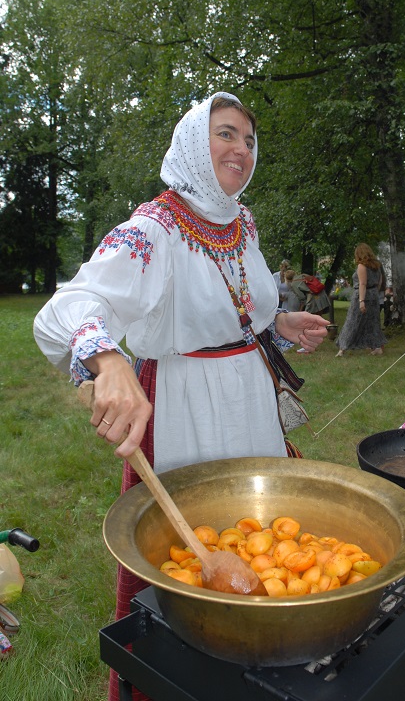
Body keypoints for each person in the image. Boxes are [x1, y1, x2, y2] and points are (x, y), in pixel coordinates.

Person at [33, 92, 328, 701]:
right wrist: (108, 359)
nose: (241, 149)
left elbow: (235, 310)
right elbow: (69, 306)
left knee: (259, 538)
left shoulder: (242, 222)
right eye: (226, 134)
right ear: (194, 143)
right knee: (188, 556)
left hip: (249, 399)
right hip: (185, 404)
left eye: (249, 140)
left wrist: (279, 324)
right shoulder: (156, 227)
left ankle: (259, 663)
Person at [335, 243, 387, 357]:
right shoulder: (377, 265)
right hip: (374, 295)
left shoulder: (362, 266)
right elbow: (380, 282)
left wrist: (361, 301)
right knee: (373, 322)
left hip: (362, 295)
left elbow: (362, 283)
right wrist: (374, 293)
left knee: (352, 321)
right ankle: (377, 347)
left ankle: (343, 348)